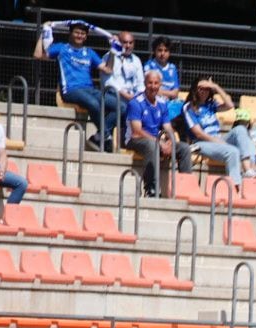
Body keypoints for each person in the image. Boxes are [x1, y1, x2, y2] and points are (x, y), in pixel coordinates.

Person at [36, 20, 121, 153]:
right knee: (93, 103)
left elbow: (108, 69)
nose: (80, 35)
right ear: (70, 33)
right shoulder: (61, 48)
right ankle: (106, 137)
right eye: (77, 32)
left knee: (121, 106)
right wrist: (43, 33)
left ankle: (99, 136)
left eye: (83, 33)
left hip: (90, 90)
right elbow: (38, 55)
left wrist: (113, 51)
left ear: (86, 36)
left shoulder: (89, 52)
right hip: (70, 90)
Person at [184, 79, 256, 194]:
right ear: (194, 89)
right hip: (200, 143)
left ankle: (248, 169)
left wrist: (215, 86)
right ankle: (236, 188)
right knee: (233, 151)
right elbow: (198, 133)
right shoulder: (189, 107)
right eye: (200, 88)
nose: (203, 91)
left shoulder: (210, 104)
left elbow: (230, 105)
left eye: (206, 89)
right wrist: (218, 141)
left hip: (217, 139)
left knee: (240, 129)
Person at [126, 69, 190, 197]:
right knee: (151, 145)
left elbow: (168, 127)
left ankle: (185, 188)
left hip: (157, 140)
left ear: (160, 85)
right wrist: (160, 143)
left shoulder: (162, 103)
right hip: (136, 140)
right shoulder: (136, 102)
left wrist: (170, 141)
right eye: (150, 83)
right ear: (145, 83)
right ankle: (151, 188)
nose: (153, 86)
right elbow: (137, 130)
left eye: (156, 83)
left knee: (184, 148)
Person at [104, 31, 145, 112]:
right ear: (118, 43)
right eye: (125, 42)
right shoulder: (109, 57)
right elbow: (108, 82)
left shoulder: (136, 60)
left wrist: (137, 97)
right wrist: (127, 96)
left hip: (132, 96)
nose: (128, 46)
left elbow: (140, 83)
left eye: (131, 43)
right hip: (113, 95)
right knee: (125, 108)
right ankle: (104, 125)